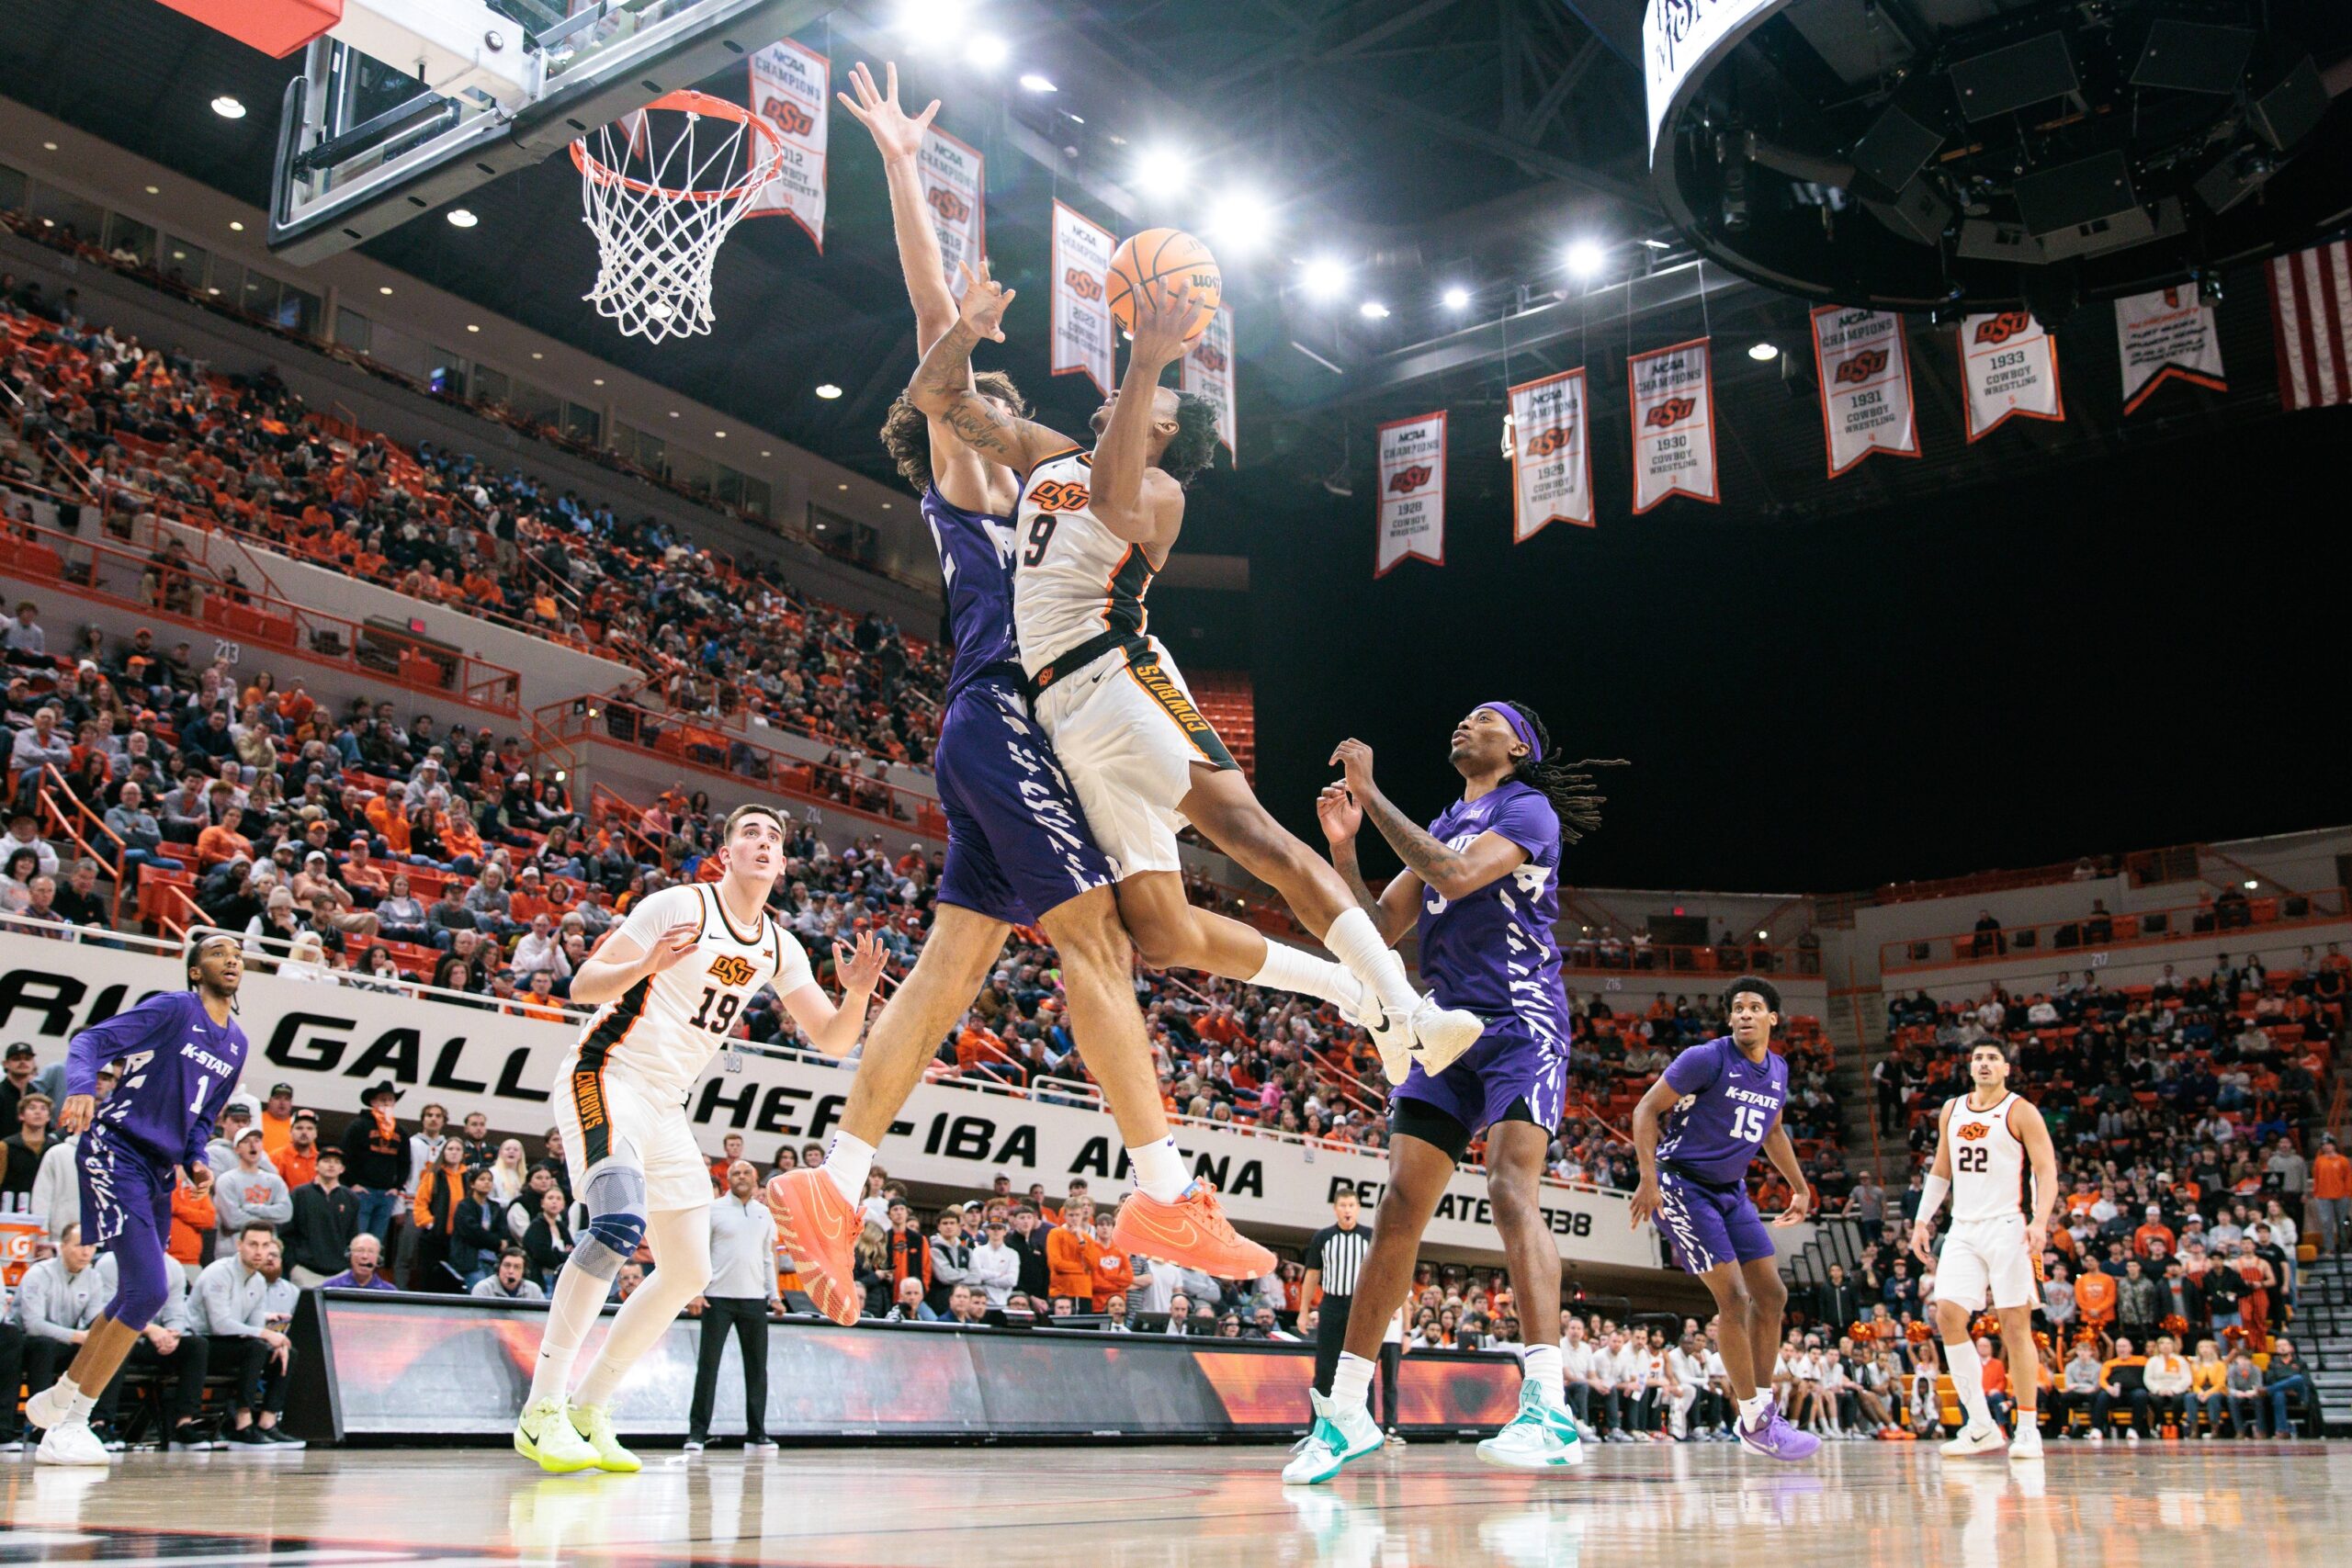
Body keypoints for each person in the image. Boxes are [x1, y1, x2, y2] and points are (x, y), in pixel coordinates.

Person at [766, 66, 1280, 1325]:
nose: (1006, 418)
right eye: (987, 407)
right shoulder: (964, 478)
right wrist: (897, 168)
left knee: (947, 976)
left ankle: (830, 1185)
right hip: (1000, 714)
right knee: (1096, 941)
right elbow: (933, 312)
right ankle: (1162, 1184)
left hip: (1014, 736)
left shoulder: (1049, 499)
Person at [906, 231, 1482, 1077]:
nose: (1118, 395)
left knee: (1256, 836)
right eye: (1133, 386)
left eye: (1151, 403)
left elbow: (1109, 495)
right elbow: (930, 392)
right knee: (1164, 936)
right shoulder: (1041, 450)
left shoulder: (1163, 492)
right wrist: (968, 326)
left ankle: (1408, 1004)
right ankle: (1360, 1000)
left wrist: (1145, 362)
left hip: (1121, 678)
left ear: (1166, 432)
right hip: (1061, 719)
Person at [1288, 702, 1623, 1483]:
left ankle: (1548, 1404)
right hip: (1444, 1026)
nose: (1462, 725)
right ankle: (1343, 1412)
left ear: (1518, 744)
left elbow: (1456, 872)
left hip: (1520, 1022)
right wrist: (1345, 851)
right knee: (1399, 1206)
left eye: (1482, 719)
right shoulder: (1445, 818)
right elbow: (1378, 925)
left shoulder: (1527, 807)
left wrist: (1371, 797)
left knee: (1510, 1189)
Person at [514, 805, 883, 1475]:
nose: (764, 843)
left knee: (687, 1269)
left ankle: (590, 1408)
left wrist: (855, 994)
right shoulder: (679, 904)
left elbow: (832, 1037)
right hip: (607, 1074)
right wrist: (648, 962)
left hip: (665, 1106)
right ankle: (542, 1409)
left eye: (775, 836)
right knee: (617, 1223)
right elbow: (581, 984)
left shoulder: (778, 944)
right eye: (751, 833)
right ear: (726, 850)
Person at [20, 931, 247, 1466]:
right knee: (147, 1288)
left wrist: (196, 1158)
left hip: (158, 1170)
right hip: (114, 1146)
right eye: (216, 952)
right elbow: (88, 1042)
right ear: (195, 971)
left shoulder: (236, 1044)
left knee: (135, 1291)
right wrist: (79, 1086)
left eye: (236, 954)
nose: (231, 958)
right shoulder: (172, 1009)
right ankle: (74, 1423)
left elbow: (203, 1119)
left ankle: (61, 1397)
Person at [1627, 979, 1817, 1461]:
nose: (1745, 1015)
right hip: (1681, 1184)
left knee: (1772, 1294)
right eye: (1738, 1008)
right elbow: (1646, 1109)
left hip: (1730, 1190)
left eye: (1755, 1008)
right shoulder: (1705, 1058)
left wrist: (1799, 1186)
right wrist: (1648, 1179)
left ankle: (1764, 1414)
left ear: (1773, 1018)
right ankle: (1753, 1419)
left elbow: (1772, 1130)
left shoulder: (1778, 1069)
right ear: (1730, 1018)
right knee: (1733, 1297)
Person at [1912, 1040, 2057, 1461]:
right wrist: (1923, 1221)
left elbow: (2046, 1171)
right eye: (1978, 1058)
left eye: (1993, 1058)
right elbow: (1942, 1167)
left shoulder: (2021, 1111)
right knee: (1948, 1315)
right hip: (1963, 1227)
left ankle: (2027, 1428)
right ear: (1969, 1067)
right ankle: (1980, 1425)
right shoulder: (1952, 1109)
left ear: (2006, 1069)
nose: (1985, 1063)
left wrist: (2041, 1221)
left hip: (2010, 1226)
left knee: (2015, 1326)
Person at [685, 1160, 782, 1453]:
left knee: (757, 1369)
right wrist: (696, 1291)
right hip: (717, 1299)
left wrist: (774, 1295)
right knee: (708, 1367)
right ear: (727, 1180)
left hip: (754, 1301)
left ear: (755, 1180)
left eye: (746, 1173)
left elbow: (768, 1258)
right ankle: (697, 1434)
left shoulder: (765, 1213)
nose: (741, 1177)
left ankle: (756, 1433)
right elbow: (699, 1251)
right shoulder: (713, 1209)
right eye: (735, 1173)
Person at [189, 1222, 303, 1447]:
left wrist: (274, 1341)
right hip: (201, 1345)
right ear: (239, 1245)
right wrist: (266, 1335)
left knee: (287, 1352)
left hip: (235, 1345)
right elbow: (219, 1325)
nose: (259, 1251)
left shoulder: (259, 1280)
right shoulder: (219, 1272)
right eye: (253, 1244)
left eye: (265, 1245)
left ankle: (267, 1421)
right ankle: (242, 1422)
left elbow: (253, 1326)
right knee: (258, 1347)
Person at [318, 1233, 398, 1291]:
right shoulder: (330, 1287)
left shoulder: (389, 1291)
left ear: (378, 1259)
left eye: (371, 1252)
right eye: (360, 1250)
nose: (365, 1256)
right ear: (350, 1255)